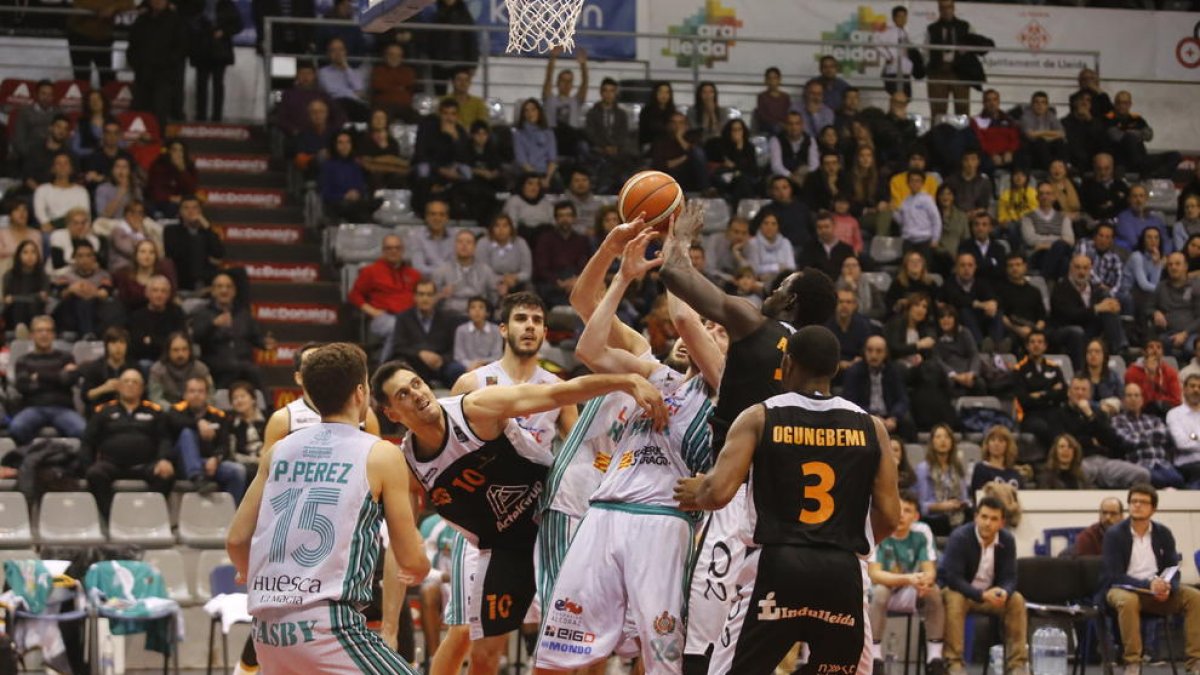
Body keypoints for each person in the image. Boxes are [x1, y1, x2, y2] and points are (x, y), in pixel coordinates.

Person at [374, 355, 666, 649]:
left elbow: (557, 394)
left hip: (549, 517)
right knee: (483, 651)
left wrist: (627, 381)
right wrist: (389, 629)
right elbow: (399, 547)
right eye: (403, 395)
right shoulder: (407, 465)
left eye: (417, 384)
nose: (417, 394)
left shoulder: (475, 409)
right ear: (392, 414)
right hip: (502, 545)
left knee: (576, 637)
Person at [660, 203, 839, 675]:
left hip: (732, 494)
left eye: (782, 285)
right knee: (753, 634)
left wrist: (678, 236)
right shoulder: (821, 367)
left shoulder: (753, 323)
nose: (772, 289)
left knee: (703, 630)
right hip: (791, 510)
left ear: (791, 301)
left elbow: (677, 275)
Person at [537, 231, 724, 675]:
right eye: (708, 325)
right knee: (560, 651)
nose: (707, 331)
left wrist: (676, 243)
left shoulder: (729, 386)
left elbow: (684, 320)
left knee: (658, 657)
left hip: (662, 520)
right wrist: (622, 277)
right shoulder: (656, 372)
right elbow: (589, 349)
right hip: (601, 512)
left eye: (718, 329)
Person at [673, 325, 900, 675]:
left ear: (787, 363)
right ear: (836, 369)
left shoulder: (760, 415)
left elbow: (717, 493)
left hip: (778, 566)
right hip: (842, 572)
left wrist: (696, 492)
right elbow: (888, 517)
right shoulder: (872, 427)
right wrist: (840, 543)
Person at [227, 344, 428, 674]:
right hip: (328, 625)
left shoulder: (277, 450)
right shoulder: (380, 453)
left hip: (266, 631)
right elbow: (409, 558)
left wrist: (246, 570)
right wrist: (418, 567)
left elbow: (236, 540)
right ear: (361, 392)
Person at [1103, 484, 1200, 675]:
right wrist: (1149, 585)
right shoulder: (1114, 534)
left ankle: (1195, 662)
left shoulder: (1163, 533)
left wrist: (1168, 587)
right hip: (1123, 588)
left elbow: (1173, 567)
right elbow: (1113, 575)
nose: (1137, 505)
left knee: (1195, 597)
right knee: (1128, 601)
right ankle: (1132, 662)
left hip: (1157, 591)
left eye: (1143, 502)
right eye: (1133, 501)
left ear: (1153, 508)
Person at [938, 496, 1029, 675]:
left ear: (1002, 522)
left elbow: (1010, 576)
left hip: (990, 597)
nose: (988, 523)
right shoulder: (960, 537)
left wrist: (1004, 591)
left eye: (994, 519)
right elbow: (953, 578)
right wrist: (980, 595)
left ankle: (1017, 666)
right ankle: (954, 663)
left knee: (1016, 600)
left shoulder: (1007, 540)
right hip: (963, 593)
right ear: (976, 517)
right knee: (954, 597)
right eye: (984, 517)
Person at [868, 491, 946, 675]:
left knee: (934, 591)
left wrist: (925, 581)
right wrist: (908, 579)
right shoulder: (880, 529)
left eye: (908, 510)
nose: (901, 514)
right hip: (881, 592)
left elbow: (930, 569)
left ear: (916, 516)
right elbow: (875, 574)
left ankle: (934, 659)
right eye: (898, 509)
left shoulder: (922, 531)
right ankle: (875, 658)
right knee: (880, 592)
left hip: (912, 591)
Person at [82, 368, 174, 516]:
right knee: (94, 474)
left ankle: (147, 515)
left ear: (142, 388)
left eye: (135, 382)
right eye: (126, 381)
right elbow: (88, 441)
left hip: (146, 464)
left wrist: (164, 459)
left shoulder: (155, 411)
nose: (130, 385)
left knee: (166, 474)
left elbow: (164, 438)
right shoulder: (104, 411)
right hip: (112, 464)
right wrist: (87, 465)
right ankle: (112, 516)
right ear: (118, 386)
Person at [1062, 376, 1149, 489]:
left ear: (1089, 394)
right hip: (1080, 461)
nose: (1080, 393)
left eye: (1084, 390)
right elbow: (1067, 441)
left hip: (1105, 461)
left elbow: (1113, 441)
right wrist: (1091, 441)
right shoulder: (1060, 414)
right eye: (1076, 389)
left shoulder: (1098, 414)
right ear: (1069, 392)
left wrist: (1090, 415)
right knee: (1081, 474)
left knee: (1142, 474)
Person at [191, 272, 275, 388]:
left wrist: (264, 343)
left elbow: (255, 337)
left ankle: (268, 406)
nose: (224, 290)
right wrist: (213, 324)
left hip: (243, 363)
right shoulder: (203, 313)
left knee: (256, 372)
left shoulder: (243, 314)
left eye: (228, 287)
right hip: (216, 364)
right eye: (219, 287)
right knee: (232, 370)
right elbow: (196, 337)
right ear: (213, 291)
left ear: (234, 291)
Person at [168, 375, 243, 500]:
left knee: (238, 471)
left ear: (207, 395)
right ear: (185, 394)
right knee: (187, 432)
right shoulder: (175, 411)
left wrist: (215, 459)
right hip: (182, 464)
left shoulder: (218, 415)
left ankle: (232, 515)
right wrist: (198, 423)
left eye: (200, 391)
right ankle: (198, 477)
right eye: (192, 391)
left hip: (208, 463)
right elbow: (175, 422)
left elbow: (224, 445)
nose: (196, 395)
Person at [386, 278, 465, 387]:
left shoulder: (447, 318)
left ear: (435, 297)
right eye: (421, 294)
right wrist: (420, 354)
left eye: (429, 295)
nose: (425, 298)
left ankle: (456, 401)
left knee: (456, 369)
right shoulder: (404, 318)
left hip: (440, 364)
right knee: (401, 367)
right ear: (415, 297)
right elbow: (399, 346)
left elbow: (454, 348)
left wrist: (441, 359)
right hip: (414, 363)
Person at [1052, 255, 1126, 365]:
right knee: (1077, 332)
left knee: (1108, 310)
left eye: (1085, 268)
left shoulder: (1095, 289)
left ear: (1090, 270)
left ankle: (1120, 350)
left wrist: (1112, 306)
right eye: (1077, 267)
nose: (1081, 272)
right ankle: (1081, 371)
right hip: (1066, 329)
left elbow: (1103, 308)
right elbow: (1069, 315)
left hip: (1089, 329)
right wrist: (1096, 308)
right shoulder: (1060, 288)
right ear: (1070, 268)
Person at [843, 335, 916, 442]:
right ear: (864, 352)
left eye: (878, 351)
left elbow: (903, 399)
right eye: (870, 350)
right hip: (865, 415)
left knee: (907, 421)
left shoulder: (894, 371)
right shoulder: (854, 372)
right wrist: (872, 417)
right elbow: (851, 403)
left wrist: (894, 417)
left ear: (885, 353)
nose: (873, 355)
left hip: (889, 416)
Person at [1113, 382, 1183, 489]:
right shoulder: (1118, 420)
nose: (1133, 399)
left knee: (1178, 480)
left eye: (1136, 395)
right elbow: (1130, 441)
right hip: (1140, 465)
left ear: (1142, 400)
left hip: (1162, 463)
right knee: (1157, 480)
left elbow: (1166, 435)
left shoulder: (1153, 419)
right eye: (1129, 395)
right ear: (1123, 400)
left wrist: (1140, 435)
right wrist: (1153, 435)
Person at [127, 0, 187, 125]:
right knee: (139, 113)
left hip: (164, 76)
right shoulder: (141, 20)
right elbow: (133, 44)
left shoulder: (176, 20)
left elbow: (181, 47)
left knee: (160, 113)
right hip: (143, 75)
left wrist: (168, 63)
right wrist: (136, 63)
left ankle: (159, 141)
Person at [189, 0, 242, 122]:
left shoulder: (227, 4)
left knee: (218, 85)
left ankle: (217, 117)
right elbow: (190, 21)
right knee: (201, 84)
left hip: (220, 51)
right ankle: (200, 116)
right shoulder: (198, 4)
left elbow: (238, 25)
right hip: (201, 49)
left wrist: (224, 32)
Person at [1015, 330, 1067, 453]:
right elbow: (1024, 400)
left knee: (1066, 423)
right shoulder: (1019, 370)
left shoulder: (1054, 367)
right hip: (1030, 416)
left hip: (1053, 411)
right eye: (1032, 342)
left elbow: (1063, 394)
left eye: (1040, 342)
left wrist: (1039, 394)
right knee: (1044, 428)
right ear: (1027, 346)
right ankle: (1056, 458)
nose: (1036, 345)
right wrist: (1050, 392)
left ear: (1045, 346)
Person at [532, 201, 591, 307]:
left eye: (568, 215)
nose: (565, 219)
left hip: (576, 282)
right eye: (561, 216)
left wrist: (576, 281)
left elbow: (586, 264)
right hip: (552, 283)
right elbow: (541, 268)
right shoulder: (545, 239)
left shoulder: (582, 240)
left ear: (574, 218)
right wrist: (558, 282)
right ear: (556, 219)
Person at [916, 423, 971, 536]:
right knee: (945, 521)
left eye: (947, 437)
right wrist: (942, 506)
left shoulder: (957, 468)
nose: (943, 440)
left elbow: (964, 497)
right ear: (932, 442)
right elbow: (922, 506)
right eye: (938, 437)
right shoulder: (923, 469)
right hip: (935, 518)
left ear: (952, 442)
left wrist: (962, 503)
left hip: (956, 515)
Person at [51, 241, 115, 337]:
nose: (84, 259)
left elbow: (104, 293)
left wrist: (85, 290)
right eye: (80, 256)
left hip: (96, 313)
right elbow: (62, 294)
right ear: (75, 258)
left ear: (94, 258)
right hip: (71, 314)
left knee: (91, 302)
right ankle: (87, 333)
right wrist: (72, 290)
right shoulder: (65, 276)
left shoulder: (103, 275)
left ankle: (88, 333)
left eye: (88, 255)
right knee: (74, 299)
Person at [583, 78, 636, 192]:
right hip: (598, 149)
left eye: (611, 91)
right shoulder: (592, 113)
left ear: (615, 93)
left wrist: (615, 147)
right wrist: (604, 147)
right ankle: (604, 187)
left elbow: (623, 133)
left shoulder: (621, 114)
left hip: (617, 150)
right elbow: (590, 133)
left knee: (628, 156)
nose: (608, 94)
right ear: (601, 93)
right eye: (606, 91)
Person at [163, 195, 224, 292]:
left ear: (200, 211)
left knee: (238, 272)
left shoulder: (207, 232)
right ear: (180, 212)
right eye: (186, 208)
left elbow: (218, 254)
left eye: (194, 208)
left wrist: (207, 227)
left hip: (206, 283)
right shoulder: (170, 231)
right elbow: (173, 253)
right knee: (197, 241)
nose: (190, 211)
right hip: (182, 280)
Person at [925, 0, 973, 117]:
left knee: (962, 107)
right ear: (939, 9)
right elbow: (925, 51)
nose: (946, 10)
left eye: (949, 7)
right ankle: (937, 134)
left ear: (953, 7)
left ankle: (963, 134)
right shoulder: (931, 28)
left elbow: (973, 47)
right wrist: (929, 69)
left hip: (960, 72)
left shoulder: (965, 26)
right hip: (938, 71)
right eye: (943, 8)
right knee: (938, 109)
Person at [432, 230, 496, 316]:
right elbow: (432, 301)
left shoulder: (486, 271)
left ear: (474, 247)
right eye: (460, 242)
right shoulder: (441, 271)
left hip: (478, 316)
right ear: (454, 246)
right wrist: (441, 295)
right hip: (450, 316)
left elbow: (493, 298)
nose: (464, 245)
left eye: (469, 242)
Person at [541, 46, 589, 158]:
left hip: (571, 139)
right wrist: (552, 58)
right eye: (563, 80)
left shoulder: (575, 101)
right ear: (557, 83)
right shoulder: (550, 99)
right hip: (553, 137)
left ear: (572, 84)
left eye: (569, 81)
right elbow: (548, 79)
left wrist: (583, 65)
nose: (566, 84)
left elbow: (584, 84)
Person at [318, 131, 374, 223]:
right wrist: (345, 196)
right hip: (336, 203)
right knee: (358, 212)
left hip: (356, 202)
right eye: (341, 142)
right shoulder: (328, 166)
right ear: (335, 145)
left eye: (348, 142)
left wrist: (357, 194)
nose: (345, 145)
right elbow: (325, 193)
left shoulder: (355, 165)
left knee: (376, 202)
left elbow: (361, 187)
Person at [1022, 182, 1074, 280]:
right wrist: (1057, 240)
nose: (1044, 197)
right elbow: (1030, 239)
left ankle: (1044, 278)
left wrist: (1047, 245)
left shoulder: (1063, 217)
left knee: (1063, 258)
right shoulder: (1028, 217)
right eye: (1041, 194)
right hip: (1037, 254)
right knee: (1062, 254)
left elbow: (1070, 240)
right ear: (1037, 197)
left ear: (1054, 197)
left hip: (1053, 251)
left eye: (1048, 193)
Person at [1152, 253, 1200, 360]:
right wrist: (1155, 312)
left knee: (1190, 348)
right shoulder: (1161, 287)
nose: (1173, 267)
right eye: (1170, 264)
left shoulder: (1196, 286)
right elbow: (1148, 307)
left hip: (1191, 333)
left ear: (1185, 266)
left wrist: (1185, 333)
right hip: (1168, 333)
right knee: (1159, 346)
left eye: (1177, 264)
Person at [148, 331, 212, 407]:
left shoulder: (200, 368)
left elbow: (210, 396)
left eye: (184, 349)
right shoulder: (157, 370)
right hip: (167, 413)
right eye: (176, 350)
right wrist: (175, 411)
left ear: (190, 350)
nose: (180, 354)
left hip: (195, 411)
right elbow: (155, 398)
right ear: (168, 351)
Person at [826, 283, 877, 376]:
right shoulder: (826, 325)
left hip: (857, 369)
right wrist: (839, 363)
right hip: (831, 369)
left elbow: (866, 349)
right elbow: (824, 352)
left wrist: (861, 359)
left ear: (855, 305)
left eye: (848, 302)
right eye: (841, 302)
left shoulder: (863, 325)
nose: (844, 305)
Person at [78, 326, 132, 414]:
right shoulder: (95, 367)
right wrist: (104, 388)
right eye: (114, 343)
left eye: (122, 343)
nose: (118, 347)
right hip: (101, 412)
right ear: (106, 345)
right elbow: (85, 396)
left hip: (127, 412)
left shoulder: (133, 368)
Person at [33, 152, 91, 230]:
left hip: (77, 227)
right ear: (53, 168)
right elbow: (40, 213)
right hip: (53, 227)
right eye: (58, 163)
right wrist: (47, 224)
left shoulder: (81, 191)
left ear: (71, 168)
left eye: (66, 163)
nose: (62, 166)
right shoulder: (43, 190)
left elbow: (85, 214)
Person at [478, 214, 532, 296]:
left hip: (517, 283)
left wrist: (515, 278)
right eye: (497, 226)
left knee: (528, 290)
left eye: (505, 226)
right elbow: (482, 271)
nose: (501, 229)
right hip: (491, 283)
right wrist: (502, 280)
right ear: (492, 228)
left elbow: (527, 272)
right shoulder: (483, 243)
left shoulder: (521, 243)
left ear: (511, 228)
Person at [1124, 339, 1181, 416]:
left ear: (1162, 352)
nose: (1155, 350)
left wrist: (1160, 401)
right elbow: (1139, 401)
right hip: (1142, 413)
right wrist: (1151, 375)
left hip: (1168, 413)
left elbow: (1176, 401)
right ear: (1144, 352)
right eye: (1151, 347)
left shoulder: (1170, 372)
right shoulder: (1132, 372)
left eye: (1158, 347)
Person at [317, 37, 368, 122]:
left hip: (354, 104)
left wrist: (346, 68)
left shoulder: (353, 71)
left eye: (341, 49)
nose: (338, 53)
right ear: (329, 53)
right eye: (334, 50)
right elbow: (330, 90)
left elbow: (360, 90)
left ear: (345, 52)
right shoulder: (323, 72)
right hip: (335, 103)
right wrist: (351, 93)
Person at [226, 380, 267, 483]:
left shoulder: (269, 418)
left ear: (253, 399)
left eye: (243, 396)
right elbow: (233, 454)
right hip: (246, 464)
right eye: (235, 398)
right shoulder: (231, 424)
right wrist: (255, 460)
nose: (239, 401)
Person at [3, 240, 50, 330]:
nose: (30, 256)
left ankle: (33, 331)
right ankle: (20, 331)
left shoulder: (43, 275)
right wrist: (35, 296)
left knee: (33, 305)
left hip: (37, 312)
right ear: (18, 255)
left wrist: (15, 298)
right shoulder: (9, 275)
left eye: (33, 252)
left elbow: (44, 297)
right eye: (25, 252)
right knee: (19, 306)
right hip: (14, 313)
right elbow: (7, 300)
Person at [513, 98, 559, 190]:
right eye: (526, 110)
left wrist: (547, 179)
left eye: (533, 109)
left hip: (546, 173)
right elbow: (522, 161)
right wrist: (537, 179)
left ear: (539, 111)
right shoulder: (518, 134)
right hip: (527, 172)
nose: (530, 113)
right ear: (523, 114)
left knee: (558, 185)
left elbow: (552, 159)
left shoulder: (549, 133)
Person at [146, 141, 198, 219]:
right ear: (169, 152)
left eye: (181, 150)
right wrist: (170, 198)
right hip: (160, 201)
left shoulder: (189, 167)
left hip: (181, 202)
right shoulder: (158, 166)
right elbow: (154, 190)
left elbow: (191, 190)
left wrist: (182, 170)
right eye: (175, 150)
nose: (178, 154)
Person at [1165, 374, 1200, 489]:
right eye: (1192, 386)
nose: (1196, 390)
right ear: (1184, 389)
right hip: (1186, 463)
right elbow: (1182, 444)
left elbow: (1190, 439)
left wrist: (1194, 437)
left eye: (1199, 387)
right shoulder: (1174, 414)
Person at [971, 90, 1020, 171]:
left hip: (1007, 154)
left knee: (1022, 156)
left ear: (998, 102)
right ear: (983, 103)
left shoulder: (1008, 119)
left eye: (994, 99)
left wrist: (1010, 151)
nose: (992, 103)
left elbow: (1015, 138)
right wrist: (992, 154)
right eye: (988, 100)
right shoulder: (977, 121)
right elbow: (980, 142)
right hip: (988, 155)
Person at [407, 199, 457, 278]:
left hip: (452, 283)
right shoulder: (416, 237)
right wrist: (444, 271)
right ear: (426, 217)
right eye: (433, 214)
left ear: (447, 218)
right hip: (426, 284)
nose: (437, 218)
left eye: (442, 214)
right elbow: (418, 268)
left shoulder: (456, 237)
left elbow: (458, 267)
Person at [895, 171, 942, 253]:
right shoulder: (905, 201)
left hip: (924, 240)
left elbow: (936, 220)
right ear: (908, 183)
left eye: (917, 181)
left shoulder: (927, 199)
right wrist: (894, 212)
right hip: (908, 240)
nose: (914, 183)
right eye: (912, 180)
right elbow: (902, 222)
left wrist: (935, 239)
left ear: (922, 183)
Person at [1019, 91, 1067, 171]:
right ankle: (1051, 169)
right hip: (1032, 149)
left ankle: (1063, 168)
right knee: (1040, 141)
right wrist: (1048, 134)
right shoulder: (1026, 116)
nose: (1040, 105)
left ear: (1047, 105)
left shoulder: (1050, 115)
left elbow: (1062, 133)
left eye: (1043, 103)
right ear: (1032, 105)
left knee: (1060, 142)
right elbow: (1030, 135)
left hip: (1048, 146)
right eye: (1036, 102)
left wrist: (1041, 134)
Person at [768, 111, 818, 187]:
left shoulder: (810, 140)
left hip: (803, 175)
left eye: (797, 124)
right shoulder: (776, 140)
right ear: (785, 125)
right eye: (790, 124)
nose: (794, 127)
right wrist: (791, 176)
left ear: (802, 125)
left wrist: (802, 175)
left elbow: (814, 165)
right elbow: (776, 166)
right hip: (783, 175)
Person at [451, 297, 501, 372]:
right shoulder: (461, 330)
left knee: (496, 369)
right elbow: (459, 356)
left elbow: (497, 355)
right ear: (468, 312)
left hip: (488, 365)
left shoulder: (496, 329)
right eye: (473, 307)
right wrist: (471, 365)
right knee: (453, 368)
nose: (477, 311)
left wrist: (481, 363)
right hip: (467, 367)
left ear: (487, 313)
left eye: (481, 307)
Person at [370, 42, 417, 122]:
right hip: (384, 105)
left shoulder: (408, 71)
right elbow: (378, 85)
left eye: (398, 55)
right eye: (391, 54)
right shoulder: (378, 70)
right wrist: (399, 87)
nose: (394, 58)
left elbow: (409, 83)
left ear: (402, 57)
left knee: (418, 118)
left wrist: (389, 85)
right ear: (385, 56)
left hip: (404, 106)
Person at [1116, 185, 1169, 255]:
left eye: (1141, 196)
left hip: (1159, 256)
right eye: (1135, 196)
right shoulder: (1124, 218)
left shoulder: (1156, 219)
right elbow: (1133, 242)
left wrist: (1164, 255)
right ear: (1129, 199)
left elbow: (1166, 241)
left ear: (1146, 198)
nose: (1138, 200)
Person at [745, 213, 795, 284]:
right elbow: (754, 269)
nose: (769, 227)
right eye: (766, 223)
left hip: (783, 282)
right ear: (760, 225)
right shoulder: (753, 243)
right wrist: (777, 267)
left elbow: (791, 267)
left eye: (773, 224)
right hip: (759, 282)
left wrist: (767, 271)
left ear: (778, 227)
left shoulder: (786, 243)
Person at [970, 425, 1021, 495]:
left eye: (1001, 441)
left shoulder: (1015, 473)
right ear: (988, 444)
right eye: (992, 440)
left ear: (1008, 445)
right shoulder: (981, 468)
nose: (996, 444)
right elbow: (977, 495)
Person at [1080, 153, 1130, 224]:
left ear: (1112, 168)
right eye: (1099, 169)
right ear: (1094, 168)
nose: (1103, 173)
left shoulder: (1121, 185)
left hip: (1121, 223)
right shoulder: (1086, 187)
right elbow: (1092, 210)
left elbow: (1126, 207)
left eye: (1107, 168)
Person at [877, 5, 914, 96]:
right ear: (894, 18)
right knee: (896, 97)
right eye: (899, 16)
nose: (902, 19)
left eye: (904, 16)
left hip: (905, 72)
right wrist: (889, 56)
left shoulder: (905, 32)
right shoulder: (889, 31)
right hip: (894, 71)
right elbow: (876, 42)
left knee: (906, 97)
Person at [943, 150, 991, 214]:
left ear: (978, 161)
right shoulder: (951, 181)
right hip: (955, 216)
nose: (970, 163)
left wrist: (972, 214)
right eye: (966, 160)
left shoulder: (984, 182)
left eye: (973, 159)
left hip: (975, 217)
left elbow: (984, 207)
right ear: (962, 162)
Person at [754, 66, 791, 134]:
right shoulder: (762, 97)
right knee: (776, 128)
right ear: (766, 80)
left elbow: (787, 114)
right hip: (768, 127)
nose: (772, 81)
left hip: (783, 127)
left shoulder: (785, 97)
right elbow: (763, 116)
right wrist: (778, 123)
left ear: (779, 80)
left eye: (775, 78)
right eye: (769, 78)